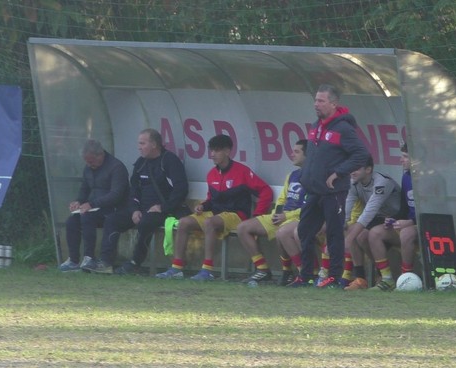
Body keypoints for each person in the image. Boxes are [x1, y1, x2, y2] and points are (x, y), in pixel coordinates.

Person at [156, 134, 273, 281]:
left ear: (227, 151)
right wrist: (202, 206)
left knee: (209, 222)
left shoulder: (242, 171)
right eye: (211, 151)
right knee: (184, 222)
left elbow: (265, 191)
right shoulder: (211, 174)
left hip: (236, 215)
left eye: (217, 151)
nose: (212, 155)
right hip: (216, 213)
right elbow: (211, 199)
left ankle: (208, 270)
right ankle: (177, 267)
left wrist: (258, 214)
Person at [293, 84, 369, 288]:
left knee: (334, 233)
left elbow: (361, 154)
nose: (316, 104)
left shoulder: (344, 128)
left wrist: (339, 172)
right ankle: (306, 275)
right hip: (314, 190)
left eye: (321, 101)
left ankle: (334, 277)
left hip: (333, 192)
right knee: (305, 231)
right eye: (315, 100)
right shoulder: (316, 125)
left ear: (334, 104)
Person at [113, 128, 191, 275]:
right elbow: (134, 189)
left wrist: (163, 207)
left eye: (142, 143)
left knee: (146, 223)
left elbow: (181, 189)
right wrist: (134, 209)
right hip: (142, 209)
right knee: (113, 220)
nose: (139, 147)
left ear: (154, 144)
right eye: (139, 143)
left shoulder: (169, 161)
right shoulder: (140, 164)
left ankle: (135, 262)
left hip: (165, 209)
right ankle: (105, 261)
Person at [237, 139, 308, 285]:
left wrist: (286, 216)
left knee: (282, 232)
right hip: (282, 216)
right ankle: (262, 270)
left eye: (296, 152)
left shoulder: (314, 177)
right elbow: (282, 199)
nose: (292, 155)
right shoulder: (292, 175)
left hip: (298, 218)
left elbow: (310, 207)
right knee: (243, 227)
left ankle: (301, 273)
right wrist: (277, 214)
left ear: (308, 155)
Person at [59, 139, 129, 273]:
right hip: (94, 208)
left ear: (100, 155)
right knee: (71, 222)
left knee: (87, 216)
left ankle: (89, 257)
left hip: (113, 209)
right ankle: (73, 260)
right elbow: (85, 189)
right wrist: (78, 202)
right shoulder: (88, 168)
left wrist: (92, 204)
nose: (89, 165)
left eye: (91, 161)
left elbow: (116, 194)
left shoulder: (116, 167)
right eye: (86, 162)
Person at [340, 156, 402, 290]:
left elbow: (369, 212)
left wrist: (348, 240)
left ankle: (387, 279)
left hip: (397, 220)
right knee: (352, 231)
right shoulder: (353, 183)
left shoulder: (382, 182)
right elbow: (346, 209)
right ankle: (361, 279)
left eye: (356, 168)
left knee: (369, 234)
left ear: (368, 169)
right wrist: (341, 229)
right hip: (378, 219)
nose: (352, 171)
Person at [366, 142, 417, 291]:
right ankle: (387, 279)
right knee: (375, 232)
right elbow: (404, 208)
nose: (401, 160)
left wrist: (410, 222)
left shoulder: (429, 178)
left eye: (405, 157)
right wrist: (394, 219)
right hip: (410, 223)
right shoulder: (406, 177)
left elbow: (433, 211)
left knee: (407, 233)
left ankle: (406, 280)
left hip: (425, 226)